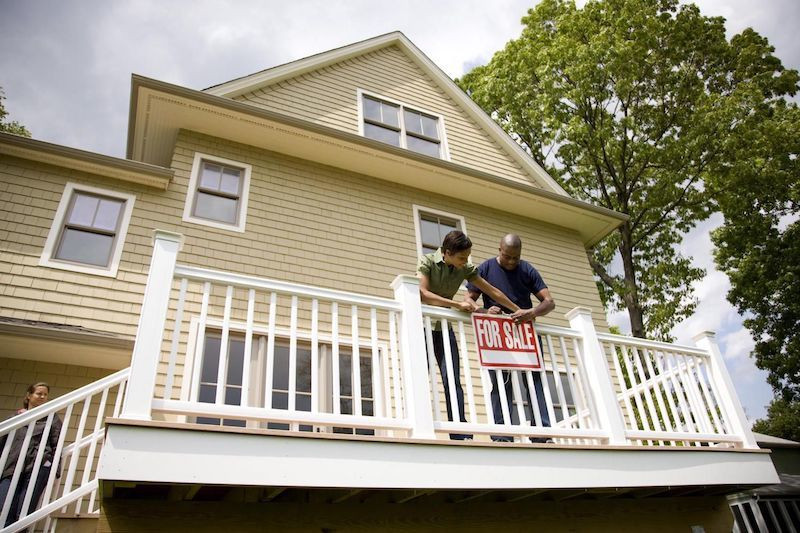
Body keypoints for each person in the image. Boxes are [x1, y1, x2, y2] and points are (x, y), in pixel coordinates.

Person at [417, 230, 524, 440]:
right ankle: (420, 430)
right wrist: (457, 304)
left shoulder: (464, 268)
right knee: (421, 377)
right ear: (447, 253)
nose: (465, 261)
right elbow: (423, 293)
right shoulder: (427, 261)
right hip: (421, 326)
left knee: (452, 379)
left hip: (444, 328)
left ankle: (459, 432)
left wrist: (517, 309)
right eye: (462, 257)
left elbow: (493, 292)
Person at [466, 234, 556, 442]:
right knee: (500, 383)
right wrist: (484, 310)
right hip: (496, 332)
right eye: (507, 257)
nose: (512, 261)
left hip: (524, 331)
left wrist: (531, 313)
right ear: (499, 250)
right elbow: (468, 299)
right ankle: (502, 434)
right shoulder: (486, 268)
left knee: (534, 381)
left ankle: (542, 433)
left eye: (516, 257)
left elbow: (549, 302)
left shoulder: (527, 269)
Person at [0, 382, 62, 526]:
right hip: (11, 467)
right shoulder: (15, 418)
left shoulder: (51, 418)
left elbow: (56, 444)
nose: (42, 396)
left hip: (38, 467)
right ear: (28, 396)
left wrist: (54, 471)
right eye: (39, 393)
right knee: (5, 506)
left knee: (25, 511)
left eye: (45, 394)